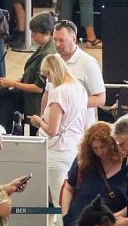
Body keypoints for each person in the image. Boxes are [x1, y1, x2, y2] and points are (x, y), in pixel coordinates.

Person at [32, 52, 89, 207]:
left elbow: (52, 130)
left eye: (47, 75)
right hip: (74, 148)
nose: (48, 80)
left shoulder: (59, 93)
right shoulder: (81, 90)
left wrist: (38, 121)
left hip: (57, 151)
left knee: (60, 203)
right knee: (70, 201)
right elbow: (83, 123)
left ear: (52, 72)